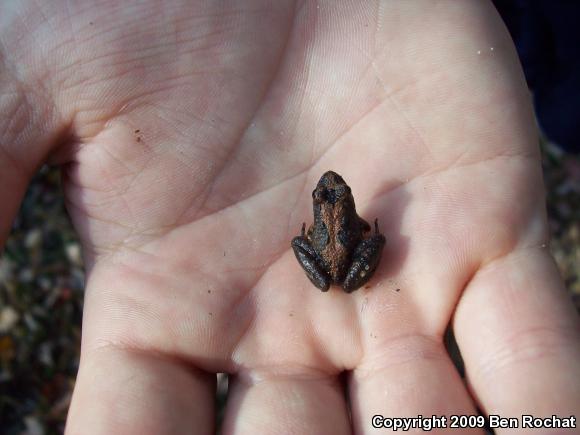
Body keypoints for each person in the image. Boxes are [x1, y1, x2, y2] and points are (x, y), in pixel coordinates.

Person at [1, 1, 578, 433]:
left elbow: (339, 243)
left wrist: (333, 241)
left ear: (335, 205)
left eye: (337, 193)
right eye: (336, 193)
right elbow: (359, 243)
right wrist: (368, 241)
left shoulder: (337, 218)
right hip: (345, 262)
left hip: (339, 258)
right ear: (341, 206)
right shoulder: (351, 221)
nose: (335, 192)